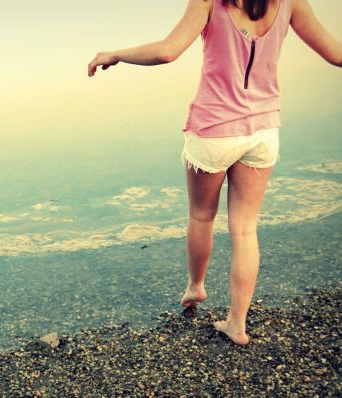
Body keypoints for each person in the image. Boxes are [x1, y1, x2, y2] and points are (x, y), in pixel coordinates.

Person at [88, 0, 342, 345]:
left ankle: (196, 285)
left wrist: (116, 54)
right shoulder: (291, 2)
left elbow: (167, 52)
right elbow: (337, 55)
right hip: (263, 130)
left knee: (202, 215)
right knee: (244, 229)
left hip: (215, 130)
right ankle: (236, 324)